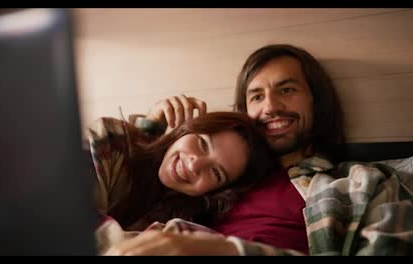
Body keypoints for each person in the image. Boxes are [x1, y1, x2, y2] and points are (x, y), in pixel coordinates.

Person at [104, 44, 413, 256]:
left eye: (287, 90)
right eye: (255, 97)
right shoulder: (208, 184)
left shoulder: (362, 184)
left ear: (317, 101)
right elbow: (117, 182)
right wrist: (149, 125)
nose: (271, 106)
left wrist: (224, 251)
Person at [86, 111, 278, 253]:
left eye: (215, 172)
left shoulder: (187, 233)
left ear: (216, 191)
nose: (195, 166)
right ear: (188, 129)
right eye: (202, 143)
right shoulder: (112, 141)